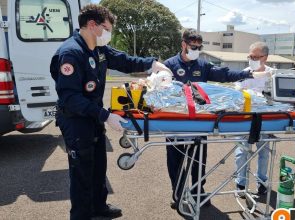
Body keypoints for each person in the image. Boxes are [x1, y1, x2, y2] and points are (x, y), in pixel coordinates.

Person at [49, 4, 171, 220]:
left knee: (98, 168)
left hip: (93, 116)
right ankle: (82, 215)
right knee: (81, 172)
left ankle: (99, 207)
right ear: (92, 25)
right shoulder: (71, 53)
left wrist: (153, 64)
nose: (109, 34)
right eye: (107, 29)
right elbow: (71, 98)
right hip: (76, 120)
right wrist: (106, 116)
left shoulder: (99, 49)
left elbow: (124, 60)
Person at [163, 28, 254, 208]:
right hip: (176, 123)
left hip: (199, 124)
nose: (196, 49)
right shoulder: (170, 65)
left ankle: (198, 192)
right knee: (175, 163)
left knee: (198, 162)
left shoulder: (203, 65)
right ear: (183, 44)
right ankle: (178, 194)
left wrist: (246, 73)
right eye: (192, 46)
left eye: (198, 46)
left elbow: (225, 74)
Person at [234, 42, 274, 195]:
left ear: (266, 57)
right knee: (241, 151)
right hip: (245, 119)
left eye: (257, 57)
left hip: (266, 118)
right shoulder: (244, 73)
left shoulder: (273, 74)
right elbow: (237, 94)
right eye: (251, 56)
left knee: (264, 151)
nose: (253, 59)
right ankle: (241, 183)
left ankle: (262, 182)